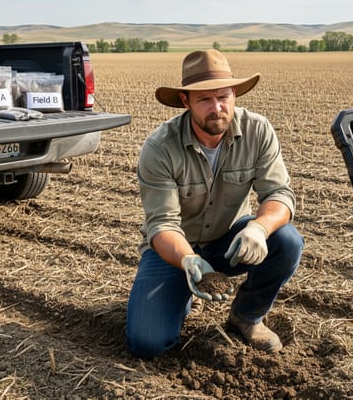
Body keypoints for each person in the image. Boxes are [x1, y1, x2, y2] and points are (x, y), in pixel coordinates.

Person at [126, 49, 303, 359]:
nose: (217, 108)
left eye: (223, 97)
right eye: (204, 100)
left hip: (229, 243)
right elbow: (162, 225)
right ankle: (182, 293)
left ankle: (247, 316)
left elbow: (280, 195)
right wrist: (188, 261)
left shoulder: (257, 131)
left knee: (287, 240)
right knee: (147, 344)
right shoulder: (160, 148)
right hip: (175, 251)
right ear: (185, 102)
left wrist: (259, 229)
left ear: (234, 93)